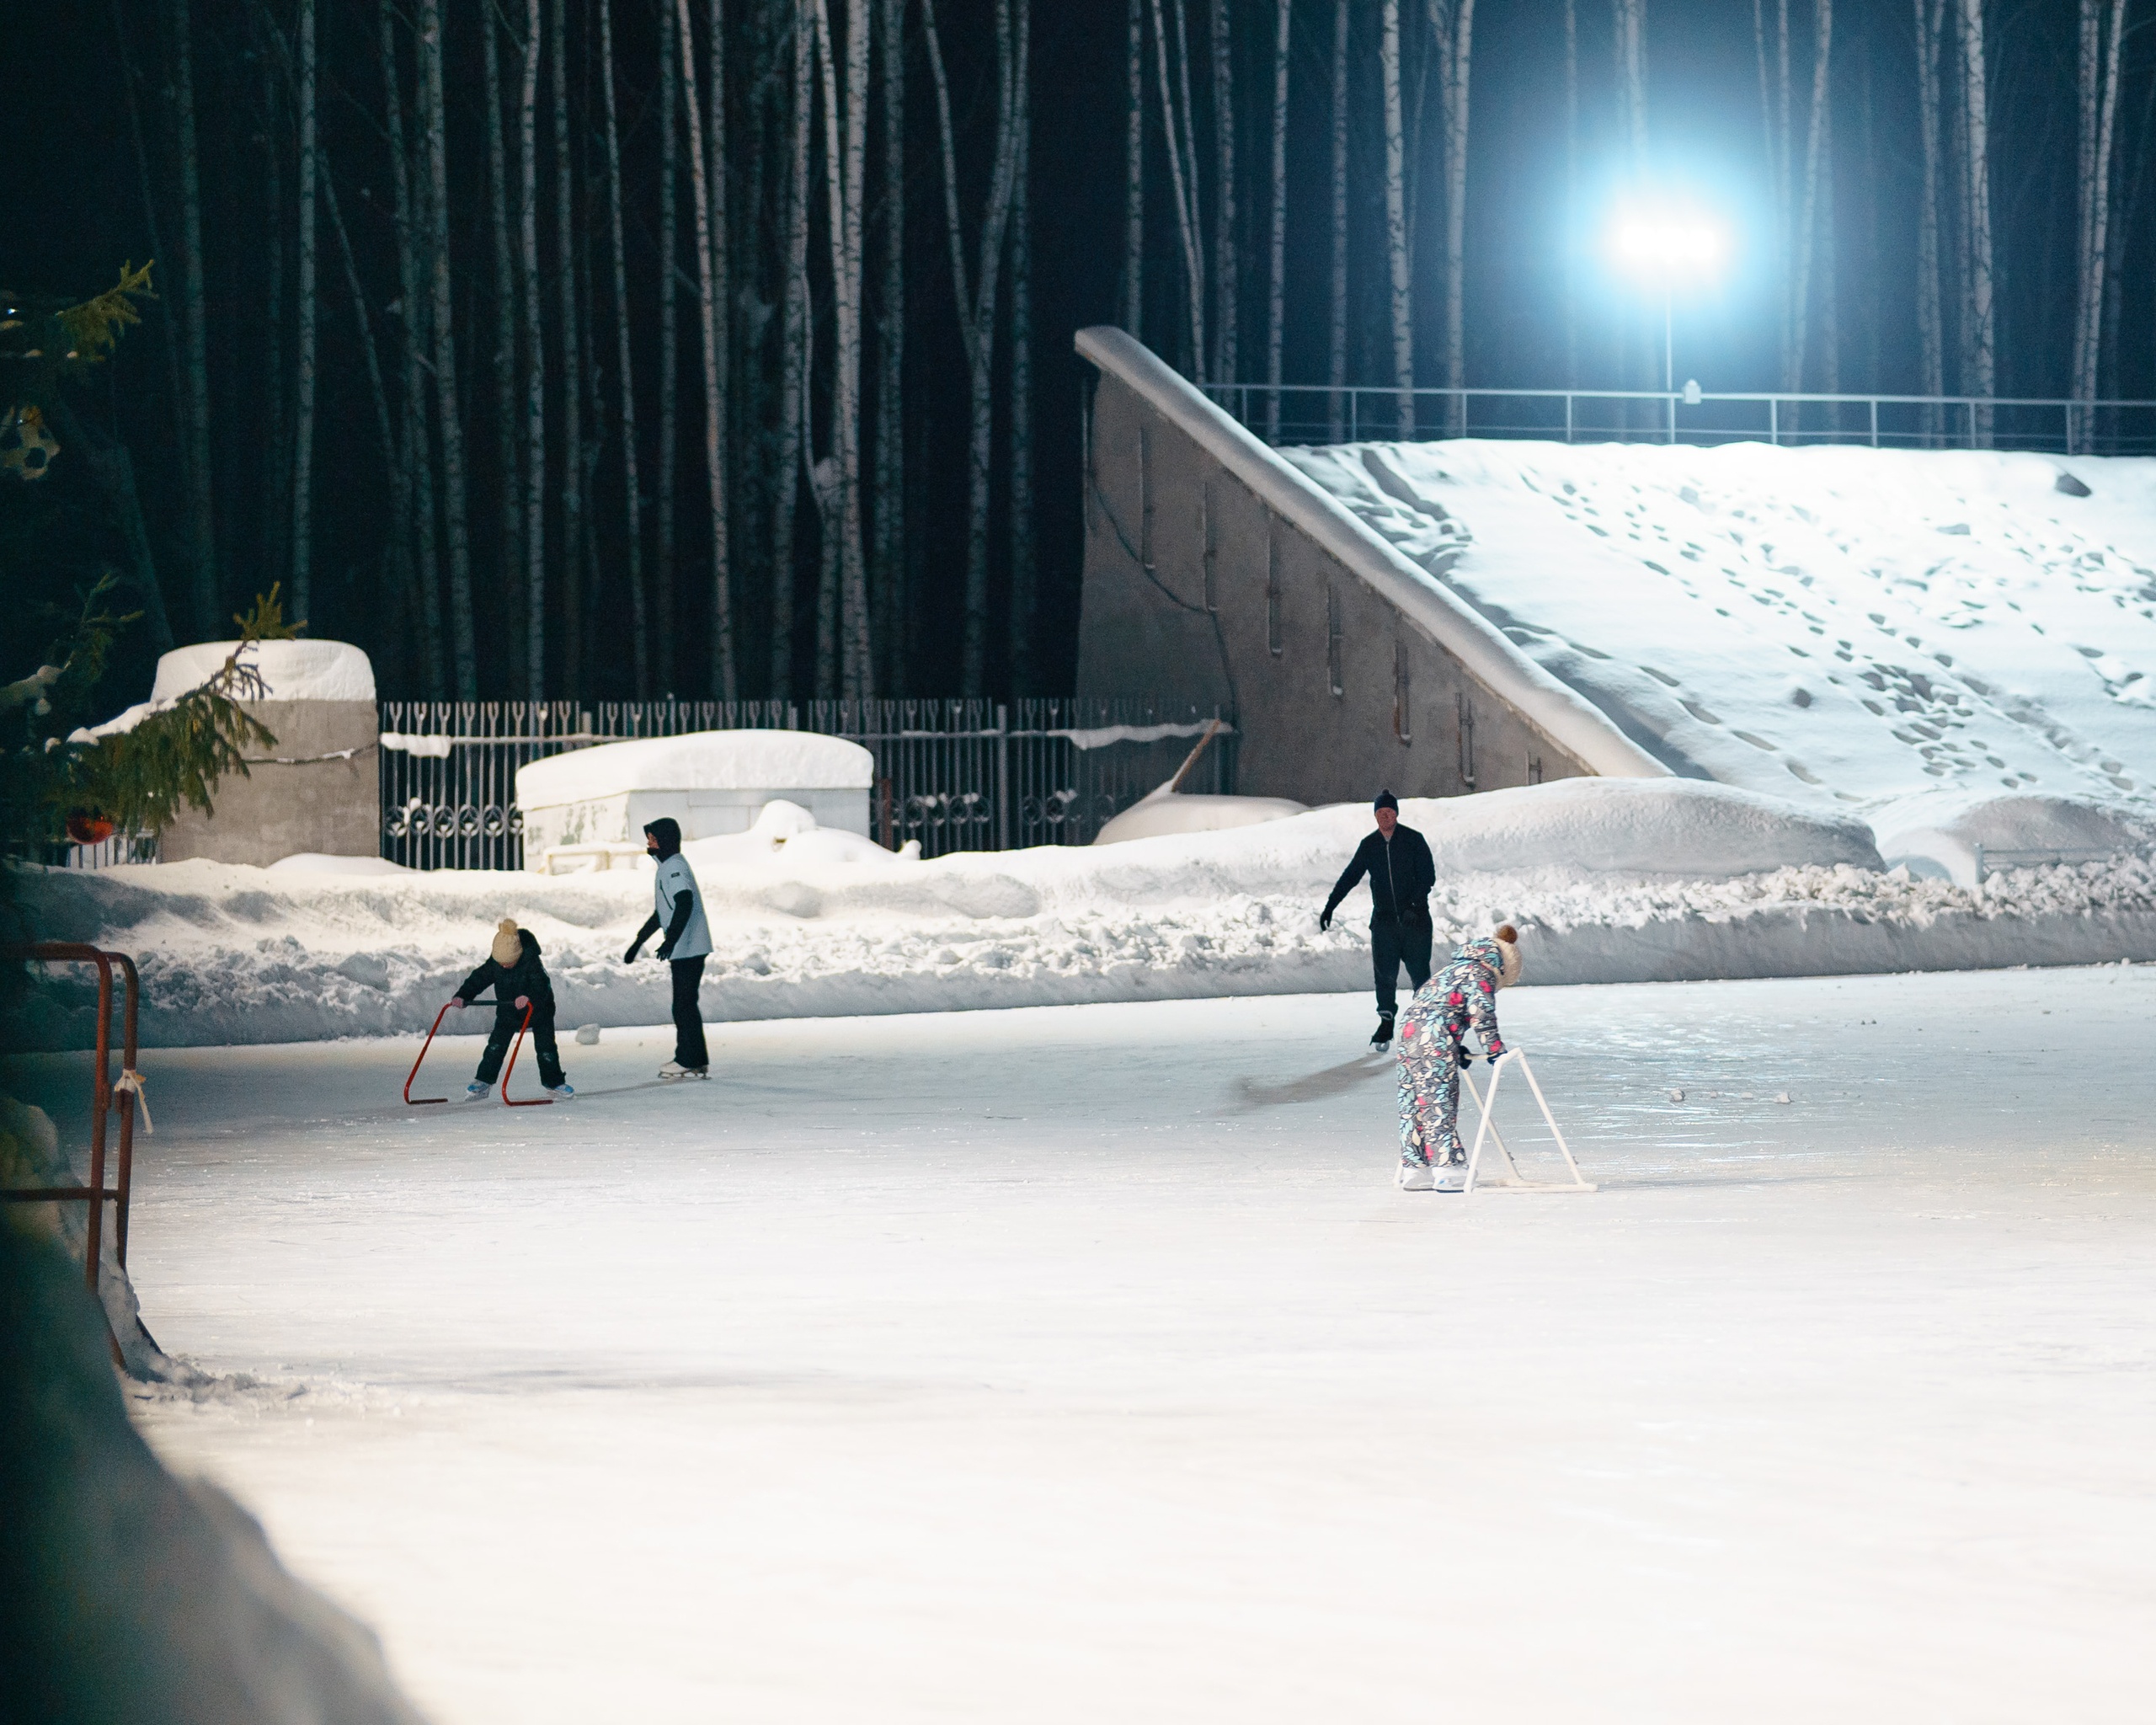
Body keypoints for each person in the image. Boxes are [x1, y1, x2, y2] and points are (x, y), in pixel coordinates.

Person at [1396, 923, 1521, 1192]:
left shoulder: (1450, 970)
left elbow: (1434, 1002)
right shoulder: (1482, 973)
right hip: (1434, 1034)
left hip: (1408, 1031)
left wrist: (1454, 1045)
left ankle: (1416, 1167)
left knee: (1414, 1100)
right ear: (1503, 967)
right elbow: (1481, 1013)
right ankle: (1448, 1168)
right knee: (1439, 1098)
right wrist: (1494, 1050)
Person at [1319, 790, 1438, 1049]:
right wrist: (1330, 906)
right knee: (1384, 975)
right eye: (1381, 813)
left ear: (1396, 813)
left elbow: (1427, 876)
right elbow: (1350, 876)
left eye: (1390, 812)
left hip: (1415, 922)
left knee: (1419, 973)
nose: (1385, 816)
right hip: (1384, 923)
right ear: (1375, 816)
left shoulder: (1413, 840)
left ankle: (1426, 1022)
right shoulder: (1370, 845)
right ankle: (1386, 1023)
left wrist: (1414, 905)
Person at [624, 816, 712, 1080]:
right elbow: (663, 911)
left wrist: (670, 940)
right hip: (687, 946)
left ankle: (688, 1058)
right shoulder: (669, 867)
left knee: (683, 1006)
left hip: (689, 947)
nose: (648, 842)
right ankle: (696, 1059)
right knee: (686, 1005)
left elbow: (684, 902)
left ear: (664, 841)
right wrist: (639, 940)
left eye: (652, 838)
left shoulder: (674, 867)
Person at [450, 918, 573, 1099]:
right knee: (495, 1046)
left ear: (518, 954)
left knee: (546, 1049)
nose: (504, 966)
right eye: (500, 963)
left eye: (508, 962)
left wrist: (528, 996)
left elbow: (542, 986)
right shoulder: (497, 963)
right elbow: (479, 978)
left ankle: (554, 1083)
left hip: (539, 1011)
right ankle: (483, 1082)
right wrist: (463, 995)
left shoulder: (531, 962)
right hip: (509, 1011)